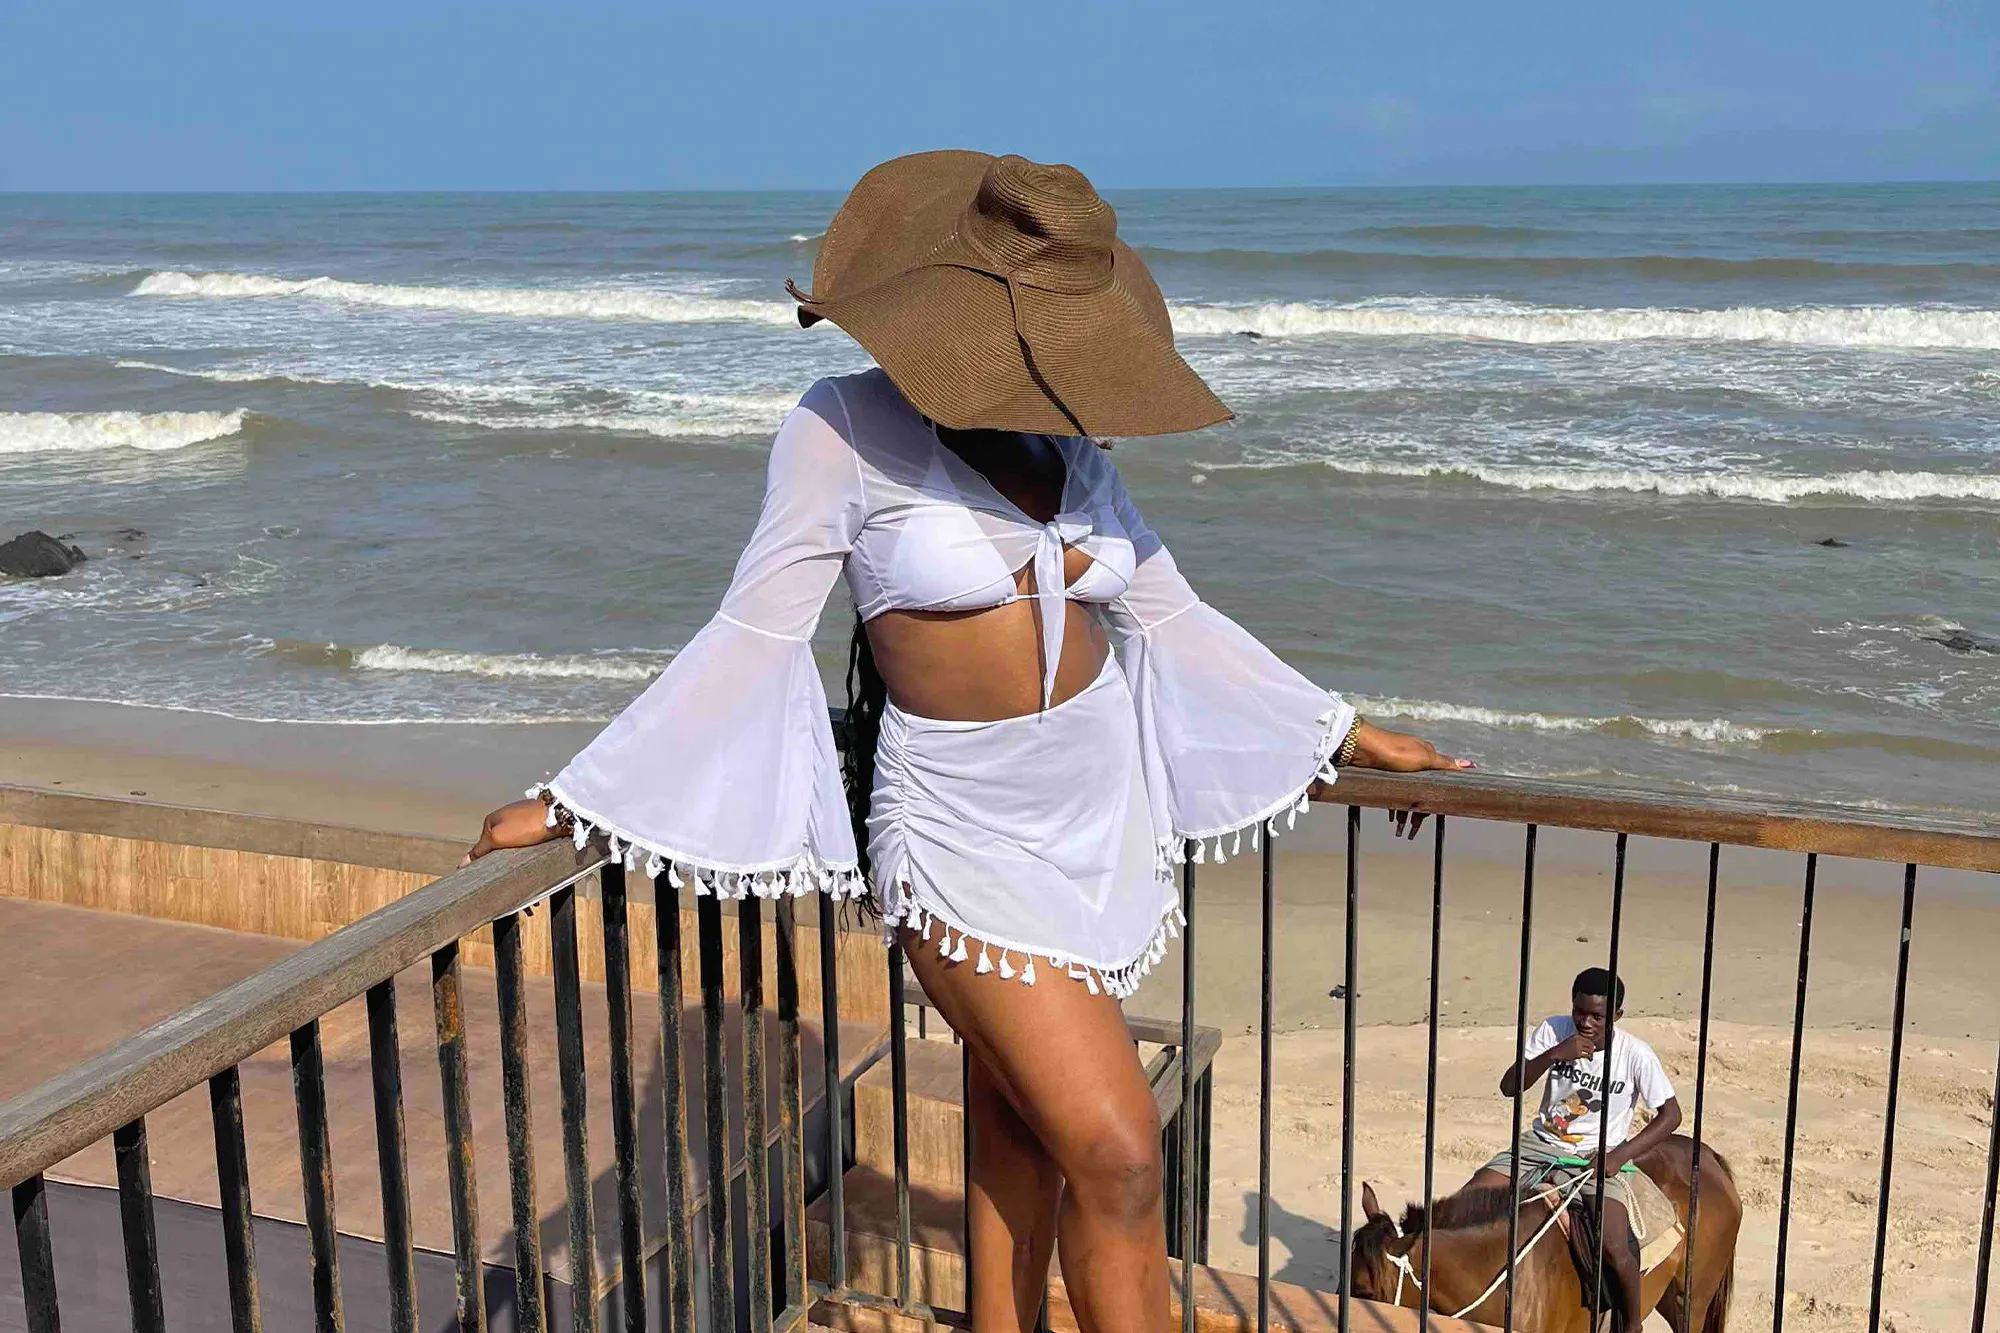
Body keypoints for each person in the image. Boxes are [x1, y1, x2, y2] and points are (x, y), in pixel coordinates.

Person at [464, 151, 1471, 1333]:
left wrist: (1350, 731)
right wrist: (580, 801)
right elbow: (753, 631)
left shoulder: (1069, 443)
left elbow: (1172, 617)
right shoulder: (841, 427)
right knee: (1119, 1155)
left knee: (1020, 1125)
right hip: (959, 833)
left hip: (1095, 825)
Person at [1467, 968, 1683, 1333]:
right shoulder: (1554, 1031)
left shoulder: (1635, 1055)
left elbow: (1671, 1115)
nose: (1585, 1022)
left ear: (1616, 1016)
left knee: (1613, 1244)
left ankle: (1632, 1325)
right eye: (1579, 1012)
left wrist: (1619, 1156)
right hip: (1539, 1145)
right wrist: (1554, 1055)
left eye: (1597, 1016)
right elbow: (1509, 1086)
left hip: (1596, 1158)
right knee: (1467, 1202)